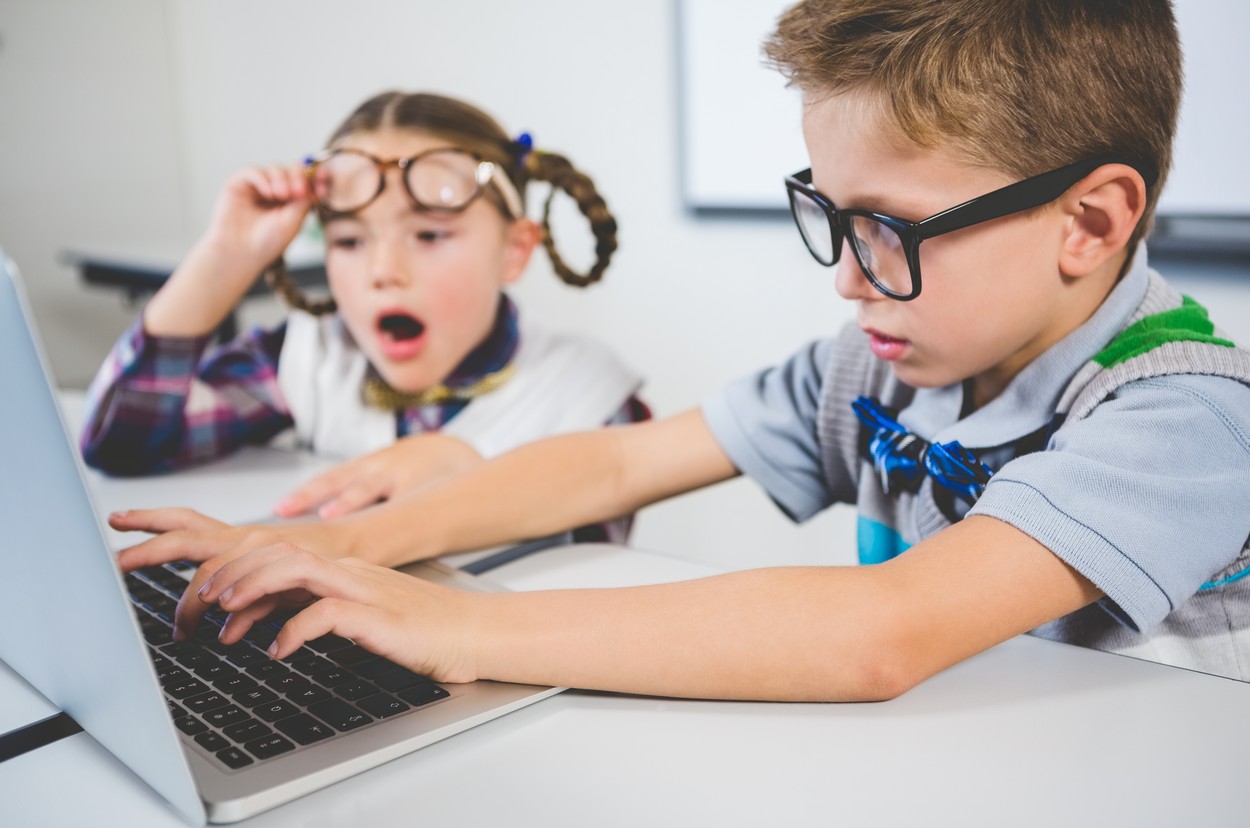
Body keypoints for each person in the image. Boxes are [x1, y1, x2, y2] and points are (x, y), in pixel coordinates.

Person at [113, 0, 1250, 701]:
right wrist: (332, 544)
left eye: (889, 231)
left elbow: (879, 632)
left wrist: (460, 623)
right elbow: (612, 466)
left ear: (1089, 223)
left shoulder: (1184, 419)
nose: (845, 276)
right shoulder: (877, 361)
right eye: (831, 216)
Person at [80, 90, 648, 533]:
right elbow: (119, 445)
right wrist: (225, 257)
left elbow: (582, 577)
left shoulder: (588, 396)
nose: (383, 271)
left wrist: (468, 476)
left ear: (515, 250)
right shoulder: (306, 359)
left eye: (428, 235)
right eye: (349, 241)